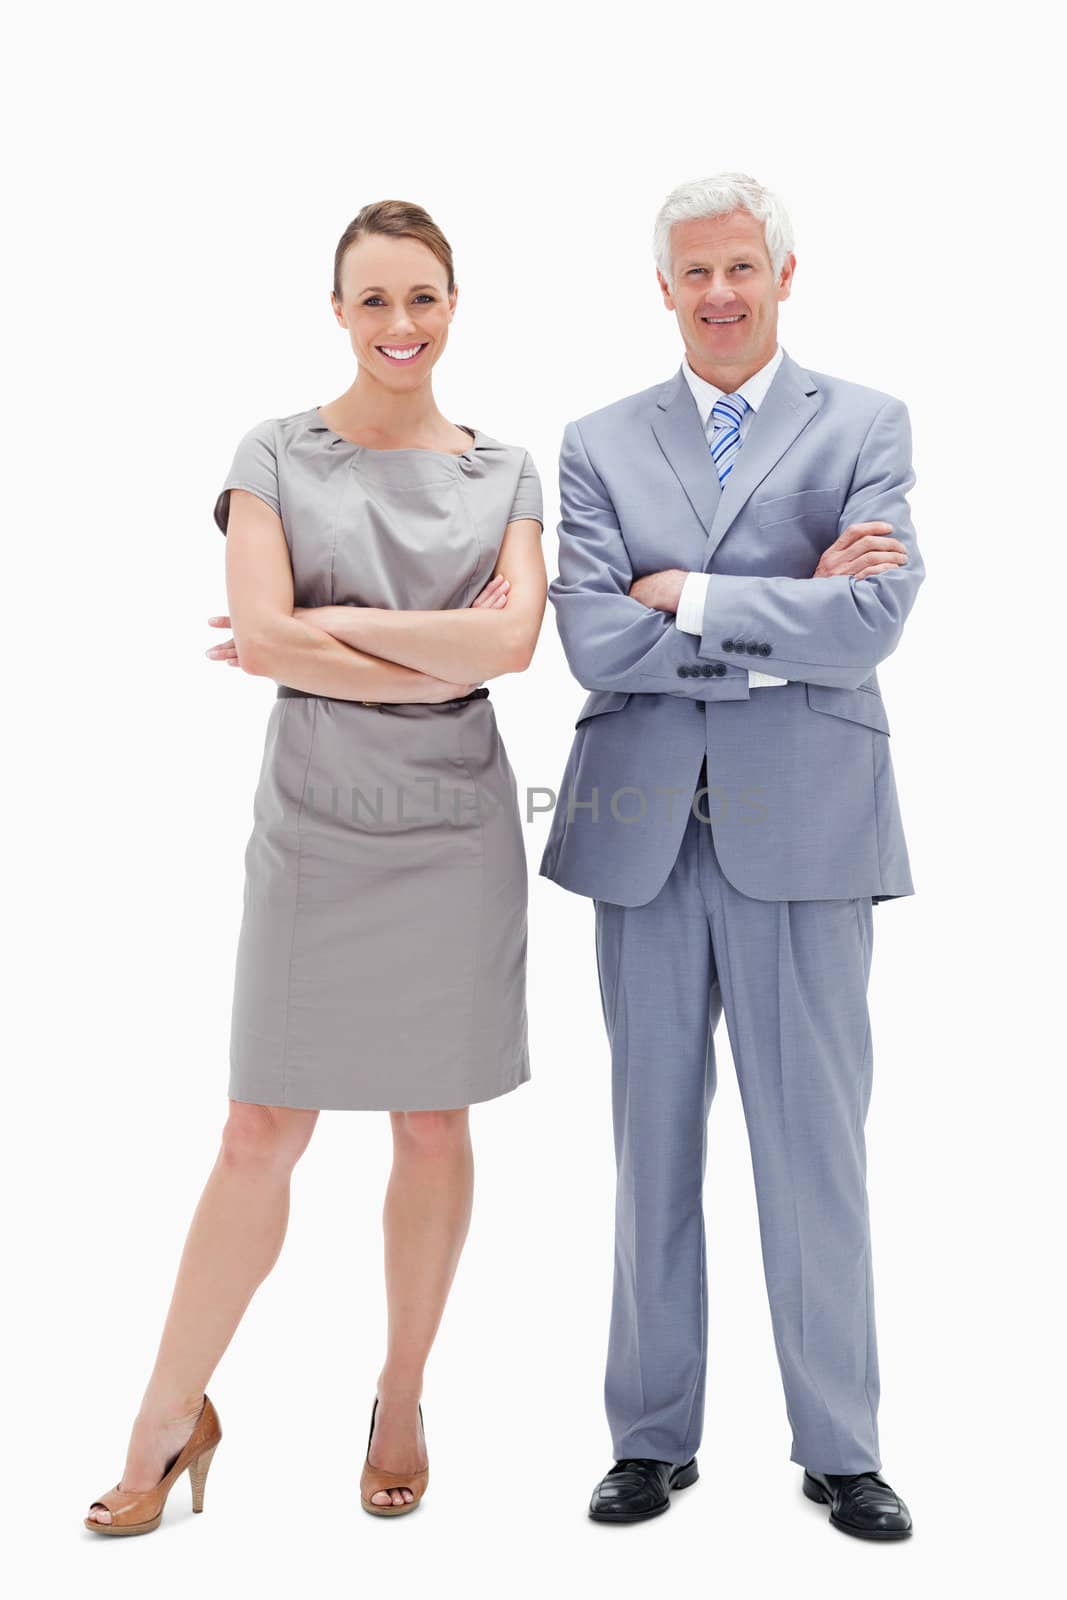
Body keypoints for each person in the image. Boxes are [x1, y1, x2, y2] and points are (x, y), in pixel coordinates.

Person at [84, 199, 546, 1533]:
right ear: (337, 311)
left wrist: (327, 622)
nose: (401, 325)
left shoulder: (506, 469)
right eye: (374, 300)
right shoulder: (273, 450)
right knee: (255, 1132)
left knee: (431, 1122)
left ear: (455, 305)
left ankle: (401, 1397)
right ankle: (166, 1416)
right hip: (317, 825)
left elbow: (512, 651)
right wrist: (418, 644)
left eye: (424, 298)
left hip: (456, 832)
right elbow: (269, 651)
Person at [538, 171, 920, 1540]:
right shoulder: (595, 441)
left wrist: (687, 595)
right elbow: (594, 638)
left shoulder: (865, 423)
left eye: (739, 270)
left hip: (809, 827)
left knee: (814, 1147)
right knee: (650, 1146)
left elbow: (871, 619)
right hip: (642, 831)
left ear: (784, 274)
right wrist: (782, 614)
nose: (717, 295)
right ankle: (650, 1438)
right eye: (693, 273)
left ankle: (841, 1444)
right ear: (663, 288)